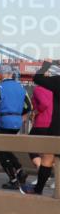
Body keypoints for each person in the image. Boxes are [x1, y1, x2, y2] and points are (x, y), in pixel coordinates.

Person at [0, 64, 32, 190]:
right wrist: (20, 115)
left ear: (1, 74)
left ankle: (14, 178)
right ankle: (19, 170)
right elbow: (29, 106)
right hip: (16, 122)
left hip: (3, 121)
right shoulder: (21, 87)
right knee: (7, 149)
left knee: (1, 151)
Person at [29, 59, 60, 195]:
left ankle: (38, 189)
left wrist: (47, 65)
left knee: (48, 157)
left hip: (57, 127)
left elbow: (37, 77)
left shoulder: (57, 81)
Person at [28, 81, 54, 188]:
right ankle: (56, 180)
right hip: (54, 123)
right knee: (51, 152)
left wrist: (35, 112)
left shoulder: (38, 89)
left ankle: (42, 174)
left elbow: (44, 104)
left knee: (29, 146)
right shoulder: (53, 89)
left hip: (41, 124)